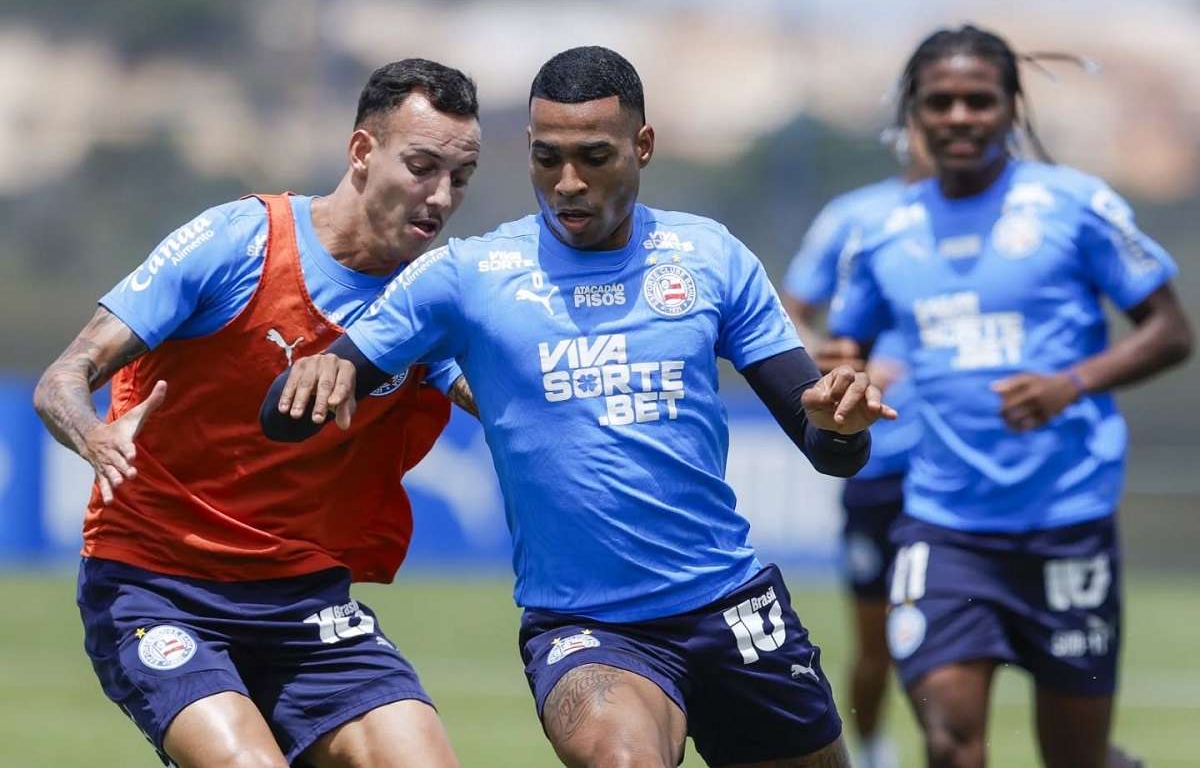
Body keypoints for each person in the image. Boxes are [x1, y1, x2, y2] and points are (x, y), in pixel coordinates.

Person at [261, 45, 897, 768]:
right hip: (587, 629)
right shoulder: (468, 276)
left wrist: (841, 428)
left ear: (642, 147)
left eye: (594, 156)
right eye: (546, 158)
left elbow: (828, 446)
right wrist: (313, 383)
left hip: (730, 607)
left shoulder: (709, 258)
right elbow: (288, 407)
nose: (567, 183)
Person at [32, 58, 482, 768]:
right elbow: (64, 375)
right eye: (422, 166)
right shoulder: (239, 241)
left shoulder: (429, 298)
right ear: (362, 152)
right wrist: (93, 435)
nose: (441, 196)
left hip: (307, 602)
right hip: (158, 588)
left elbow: (498, 397)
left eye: (460, 178)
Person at [827, 24, 1193, 768]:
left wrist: (1072, 383)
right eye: (941, 102)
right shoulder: (880, 235)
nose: (960, 117)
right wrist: (845, 379)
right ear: (914, 113)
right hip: (943, 526)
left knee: (1075, 759)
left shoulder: (1076, 206)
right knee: (949, 742)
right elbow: (846, 350)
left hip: (1067, 525)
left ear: (1011, 106)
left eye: (979, 100)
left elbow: (1171, 331)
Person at [780, 125, 933, 768]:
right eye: (928, 112)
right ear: (905, 129)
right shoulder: (856, 218)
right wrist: (830, 361)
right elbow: (789, 312)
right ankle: (872, 753)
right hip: (878, 463)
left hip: (956, 474)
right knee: (878, 646)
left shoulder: (1017, 221)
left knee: (940, 641)